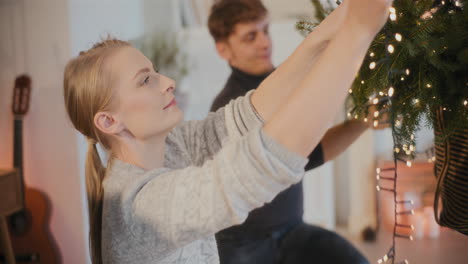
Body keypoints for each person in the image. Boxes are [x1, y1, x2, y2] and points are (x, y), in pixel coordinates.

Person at [63, 0, 392, 263]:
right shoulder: (141, 206)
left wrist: (343, 18)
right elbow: (258, 167)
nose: (168, 83)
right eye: (145, 80)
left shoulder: (174, 145)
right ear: (108, 121)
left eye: (156, 72)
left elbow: (246, 113)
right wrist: (356, 34)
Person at [208, 1, 374, 263]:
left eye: (265, 30)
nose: (265, 43)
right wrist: (363, 122)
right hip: (245, 243)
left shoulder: (282, 84)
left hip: (292, 230)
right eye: (251, 36)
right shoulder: (228, 110)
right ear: (223, 49)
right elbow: (306, 154)